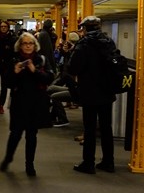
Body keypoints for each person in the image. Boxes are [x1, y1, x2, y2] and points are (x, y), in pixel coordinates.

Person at [0, 31, 54, 177]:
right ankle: (8, 158)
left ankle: (29, 165)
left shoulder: (41, 59)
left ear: (35, 45)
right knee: (15, 133)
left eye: (30, 43)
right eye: (25, 43)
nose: (28, 46)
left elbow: (49, 78)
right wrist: (15, 72)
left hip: (36, 103)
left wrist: (34, 71)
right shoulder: (14, 60)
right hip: (19, 102)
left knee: (31, 135)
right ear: (20, 46)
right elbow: (6, 83)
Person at [69, 16, 117, 174]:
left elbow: (73, 68)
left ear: (85, 28)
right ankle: (108, 162)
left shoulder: (84, 44)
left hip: (90, 91)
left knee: (89, 128)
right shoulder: (109, 42)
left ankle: (88, 163)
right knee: (106, 128)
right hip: (107, 91)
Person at [48, 31, 80, 127]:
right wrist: (65, 52)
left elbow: (71, 69)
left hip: (77, 88)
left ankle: (62, 119)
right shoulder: (74, 52)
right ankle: (52, 117)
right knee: (51, 89)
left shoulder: (78, 52)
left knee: (54, 95)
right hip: (71, 83)